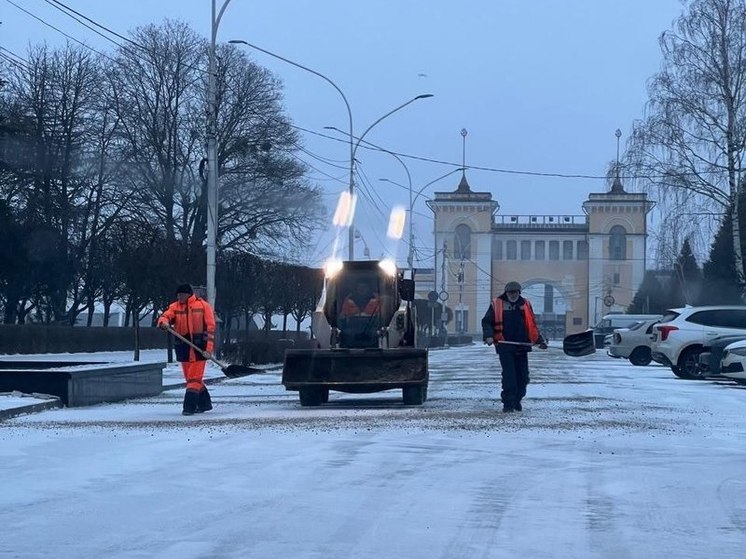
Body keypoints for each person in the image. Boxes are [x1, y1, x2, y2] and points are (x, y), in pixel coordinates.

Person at [481, 281, 547, 413]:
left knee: (523, 377)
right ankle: (508, 403)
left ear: (519, 292)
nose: (512, 295)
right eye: (510, 292)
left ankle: (517, 399)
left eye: (515, 292)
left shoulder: (525, 304)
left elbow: (531, 324)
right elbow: (487, 321)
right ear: (506, 293)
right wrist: (489, 336)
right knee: (509, 376)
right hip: (504, 346)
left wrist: (539, 340)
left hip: (522, 345)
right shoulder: (497, 304)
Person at [157, 284, 216, 416]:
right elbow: (166, 316)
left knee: (194, 379)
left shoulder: (203, 306)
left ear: (189, 294)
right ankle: (205, 404)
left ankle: (189, 407)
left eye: (181, 294)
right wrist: (163, 322)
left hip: (199, 348)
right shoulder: (175, 307)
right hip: (183, 348)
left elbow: (210, 328)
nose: (179, 297)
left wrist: (208, 349)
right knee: (191, 378)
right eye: (178, 295)